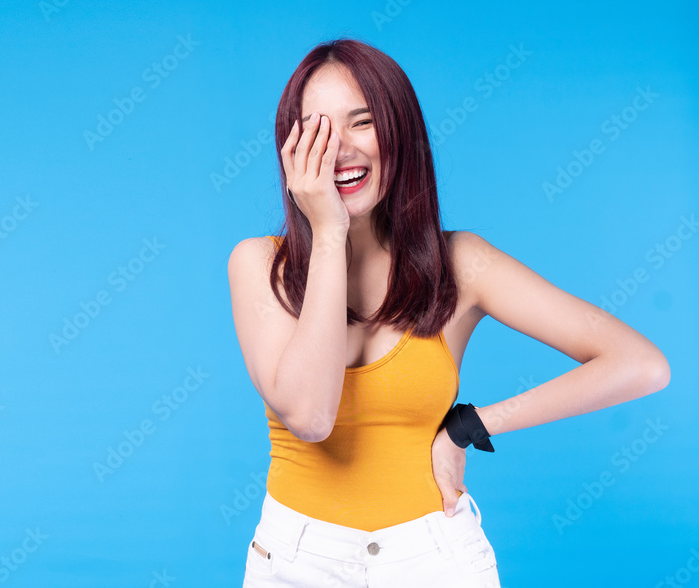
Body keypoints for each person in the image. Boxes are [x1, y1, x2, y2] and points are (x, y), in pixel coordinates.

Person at [226, 38, 670, 587]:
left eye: (363, 122)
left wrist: (472, 425)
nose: (340, 148)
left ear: (399, 134)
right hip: (295, 563)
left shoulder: (460, 264)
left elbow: (641, 363)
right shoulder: (260, 265)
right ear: (292, 149)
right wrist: (329, 231)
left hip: (432, 560)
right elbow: (311, 418)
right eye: (319, 130)